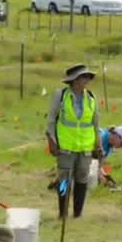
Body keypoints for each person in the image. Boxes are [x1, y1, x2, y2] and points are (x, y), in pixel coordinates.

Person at [46, 65, 102, 219]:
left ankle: (78, 213)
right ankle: (62, 213)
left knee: (82, 180)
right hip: (65, 146)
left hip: (85, 147)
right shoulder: (61, 95)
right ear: (75, 80)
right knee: (64, 180)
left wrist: (98, 144)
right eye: (85, 77)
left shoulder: (91, 98)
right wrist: (51, 140)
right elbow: (51, 120)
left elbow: (96, 123)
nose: (87, 80)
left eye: (88, 77)